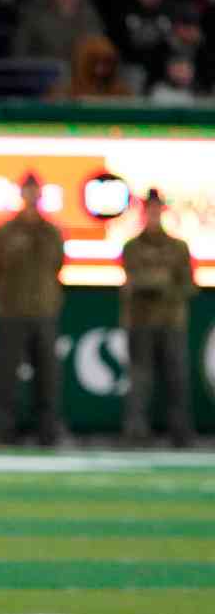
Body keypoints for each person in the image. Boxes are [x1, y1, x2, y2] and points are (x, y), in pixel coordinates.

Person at [0, 173, 66, 447]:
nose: (32, 196)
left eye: (36, 191)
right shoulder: (4, 233)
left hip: (43, 311)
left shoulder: (51, 233)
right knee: (6, 375)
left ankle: (47, 432)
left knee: (47, 377)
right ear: (22, 194)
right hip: (11, 312)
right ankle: (3, 431)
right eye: (27, 191)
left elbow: (57, 265)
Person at [120, 188, 196, 448]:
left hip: (171, 321)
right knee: (140, 380)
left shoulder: (178, 247)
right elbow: (132, 281)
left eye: (156, 208)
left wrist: (162, 286)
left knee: (176, 379)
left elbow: (188, 285)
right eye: (148, 209)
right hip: (140, 323)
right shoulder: (132, 246)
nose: (153, 213)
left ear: (162, 211)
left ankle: (181, 434)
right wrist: (157, 281)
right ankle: (136, 433)